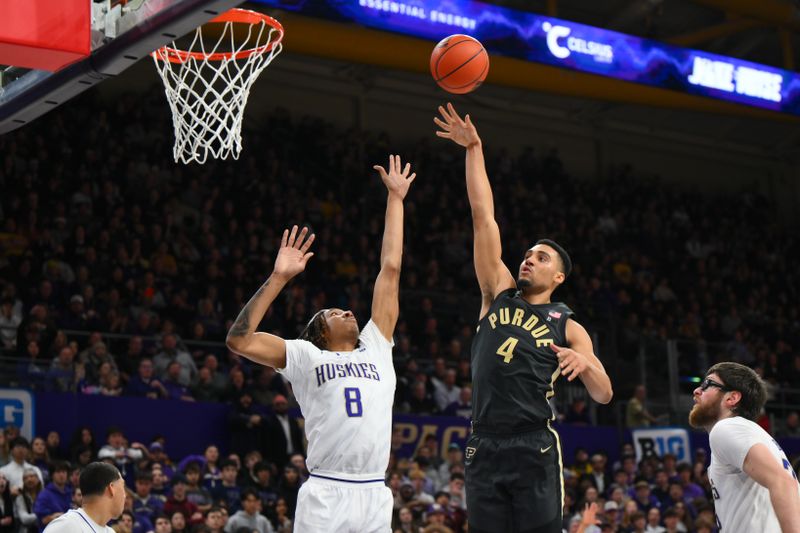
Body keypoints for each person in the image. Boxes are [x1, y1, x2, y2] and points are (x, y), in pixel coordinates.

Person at [434, 103, 613, 533]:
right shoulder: (498, 292)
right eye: (528, 254)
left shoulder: (568, 325)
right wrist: (473, 149)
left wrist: (584, 363)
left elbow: (605, 394)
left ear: (559, 276)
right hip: (483, 441)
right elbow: (483, 218)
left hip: (533, 441)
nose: (529, 259)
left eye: (541, 257)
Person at [226, 154, 416, 532]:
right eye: (332, 312)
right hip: (327, 490)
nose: (346, 311)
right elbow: (240, 340)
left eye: (344, 309)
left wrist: (396, 200)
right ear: (319, 332)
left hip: (375, 491)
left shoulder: (377, 345)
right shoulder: (305, 356)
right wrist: (279, 278)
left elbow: (390, 268)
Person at [688, 362, 800, 532]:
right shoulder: (751, 435)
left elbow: (783, 483)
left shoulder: (726, 428)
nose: (697, 390)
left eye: (707, 384)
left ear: (732, 398)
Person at [43, 462, 126, 532]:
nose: (125, 496)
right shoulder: (66, 526)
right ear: (112, 488)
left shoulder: (110, 531)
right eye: (123, 486)